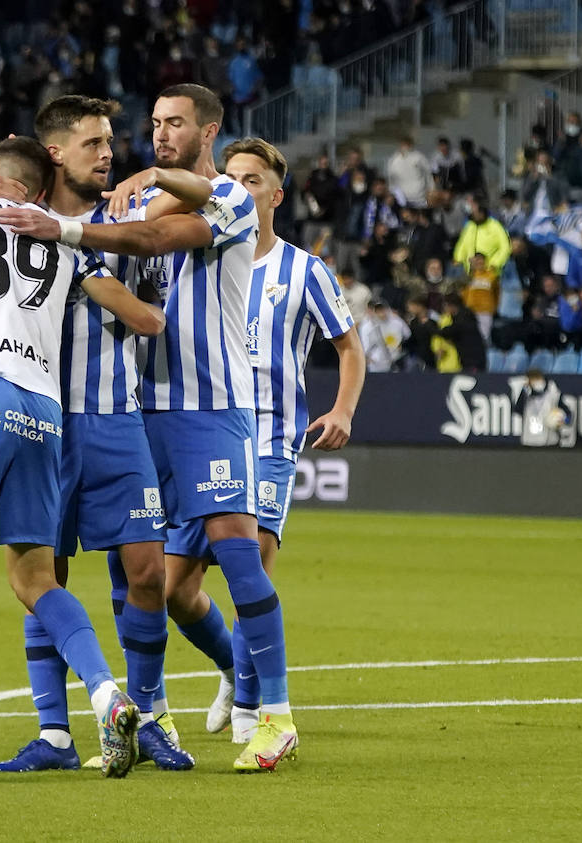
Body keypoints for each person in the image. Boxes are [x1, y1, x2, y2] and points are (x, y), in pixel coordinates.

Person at [0, 84, 299, 772]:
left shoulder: (228, 198)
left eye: (174, 124)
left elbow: (155, 235)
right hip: (123, 408)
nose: (158, 135)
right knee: (123, 576)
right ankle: (105, 723)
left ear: (207, 129)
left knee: (224, 557)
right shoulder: (118, 204)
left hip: (206, 405)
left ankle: (268, 710)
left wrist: (89, 225)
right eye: (154, 126)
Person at [0, 136, 150, 782]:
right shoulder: (61, 241)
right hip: (43, 412)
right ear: (40, 192)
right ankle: (107, 693)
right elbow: (130, 311)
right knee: (36, 578)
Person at [0, 96, 202, 775]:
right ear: (53, 153)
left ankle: (149, 715)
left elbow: (213, 202)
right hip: (40, 421)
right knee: (45, 575)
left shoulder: (129, 213)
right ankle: (54, 733)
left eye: (110, 141)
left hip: (116, 419)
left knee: (147, 572)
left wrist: (159, 181)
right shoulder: (12, 219)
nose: (108, 153)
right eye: (92, 143)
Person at [212, 137, 365, 741]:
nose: (238, 189)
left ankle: (252, 708)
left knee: (253, 569)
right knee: (176, 587)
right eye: (230, 178)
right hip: (204, 433)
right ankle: (232, 662)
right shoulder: (199, 257)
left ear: (275, 195)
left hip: (273, 437)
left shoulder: (303, 270)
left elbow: (349, 346)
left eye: (252, 181)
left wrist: (343, 410)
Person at [514, 368, 571, 447]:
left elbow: (566, 411)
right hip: (530, 440)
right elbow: (518, 410)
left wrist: (565, 420)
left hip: (549, 440)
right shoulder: (526, 391)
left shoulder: (552, 389)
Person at [360, 298, 409, 371]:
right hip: (376, 364)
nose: (381, 313)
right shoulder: (367, 326)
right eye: (378, 310)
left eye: (382, 309)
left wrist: (401, 344)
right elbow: (365, 346)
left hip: (396, 361)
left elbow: (407, 334)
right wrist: (367, 357)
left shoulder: (396, 321)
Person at [386, 137, 431, 208]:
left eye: (407, 144)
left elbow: (428, 174)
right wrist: (391, 193)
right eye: (403, 144)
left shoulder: (419, 157)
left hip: (419, 197)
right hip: (401, 199)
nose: (405, 146)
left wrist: (431, 190)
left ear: (411, 145)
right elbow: (390, 179)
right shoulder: (393, 160)